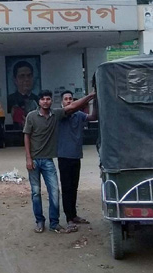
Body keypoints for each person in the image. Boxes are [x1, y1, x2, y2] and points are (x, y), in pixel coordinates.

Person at [24, 89, 95, 234]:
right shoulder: (35, 116)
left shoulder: (55, 114)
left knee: (56, 191)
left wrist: (95, 98)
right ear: (39, 101)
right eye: (43, 99)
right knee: (36, 192)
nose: (45, 101)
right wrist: (28, 158)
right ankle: (40, 221)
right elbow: (26, 136)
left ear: (51, 101)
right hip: (38, 160)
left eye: (48, 99)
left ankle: (55, 223)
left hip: (50, 160)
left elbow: (81, 111)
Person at [57, 90, 98, 232]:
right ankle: (69, 218)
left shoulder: (79, 115)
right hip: (64, 156)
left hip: (76, 156)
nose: (68, 100)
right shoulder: (60, 113)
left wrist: (96, 101)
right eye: (66, 99)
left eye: (70, 98)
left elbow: (93, 116)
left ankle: (73, 215)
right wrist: (90, 95)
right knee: (66, 188)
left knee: (74, 187)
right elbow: (72, 108)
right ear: (62, 102)